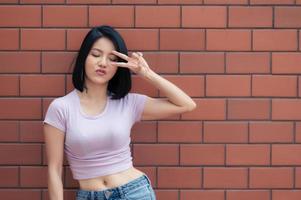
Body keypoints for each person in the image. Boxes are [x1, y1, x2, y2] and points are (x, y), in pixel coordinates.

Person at [43, 25, 196, 200]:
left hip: (135, 193)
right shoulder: (61, 108)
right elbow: (54, 170)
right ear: (84, 57)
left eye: (112, 58)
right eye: (96, 54)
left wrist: (146, 73)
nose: (103, 63)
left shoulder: (128, 103)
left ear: (118, 66)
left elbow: (186, 104)